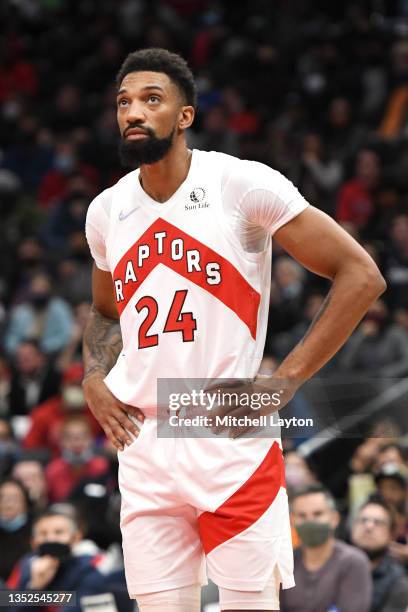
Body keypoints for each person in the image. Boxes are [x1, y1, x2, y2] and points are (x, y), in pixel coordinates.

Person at [83, 48, 385, 612]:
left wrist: (284, 382)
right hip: (144, 439)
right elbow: (105, 313)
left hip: (227, 433)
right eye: (124, 102)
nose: (133, 112)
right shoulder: (106, 211)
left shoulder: (239, 184)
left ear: (185, 116)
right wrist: (93, 375)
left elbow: (361, 275)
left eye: (152, 99)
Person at [280, 483, 372, 612]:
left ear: (334, 518)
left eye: (318, 514)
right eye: (302, 516)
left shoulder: (353, 562)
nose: (310, 521)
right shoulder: (285, 563)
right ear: (292, 521)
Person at [6, 509, 108, 612]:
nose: (50, 539)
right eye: (43, 534)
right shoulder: (28, 568)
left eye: (59, 532)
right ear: (33, 542)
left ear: (76, 538)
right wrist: (35, 587)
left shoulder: (89, 573)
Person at [351, 497, 408, 612]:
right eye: (363, 520)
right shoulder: (336, 566)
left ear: (391, 534)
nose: (369, 526)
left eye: (378, 523)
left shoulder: (398, 581)